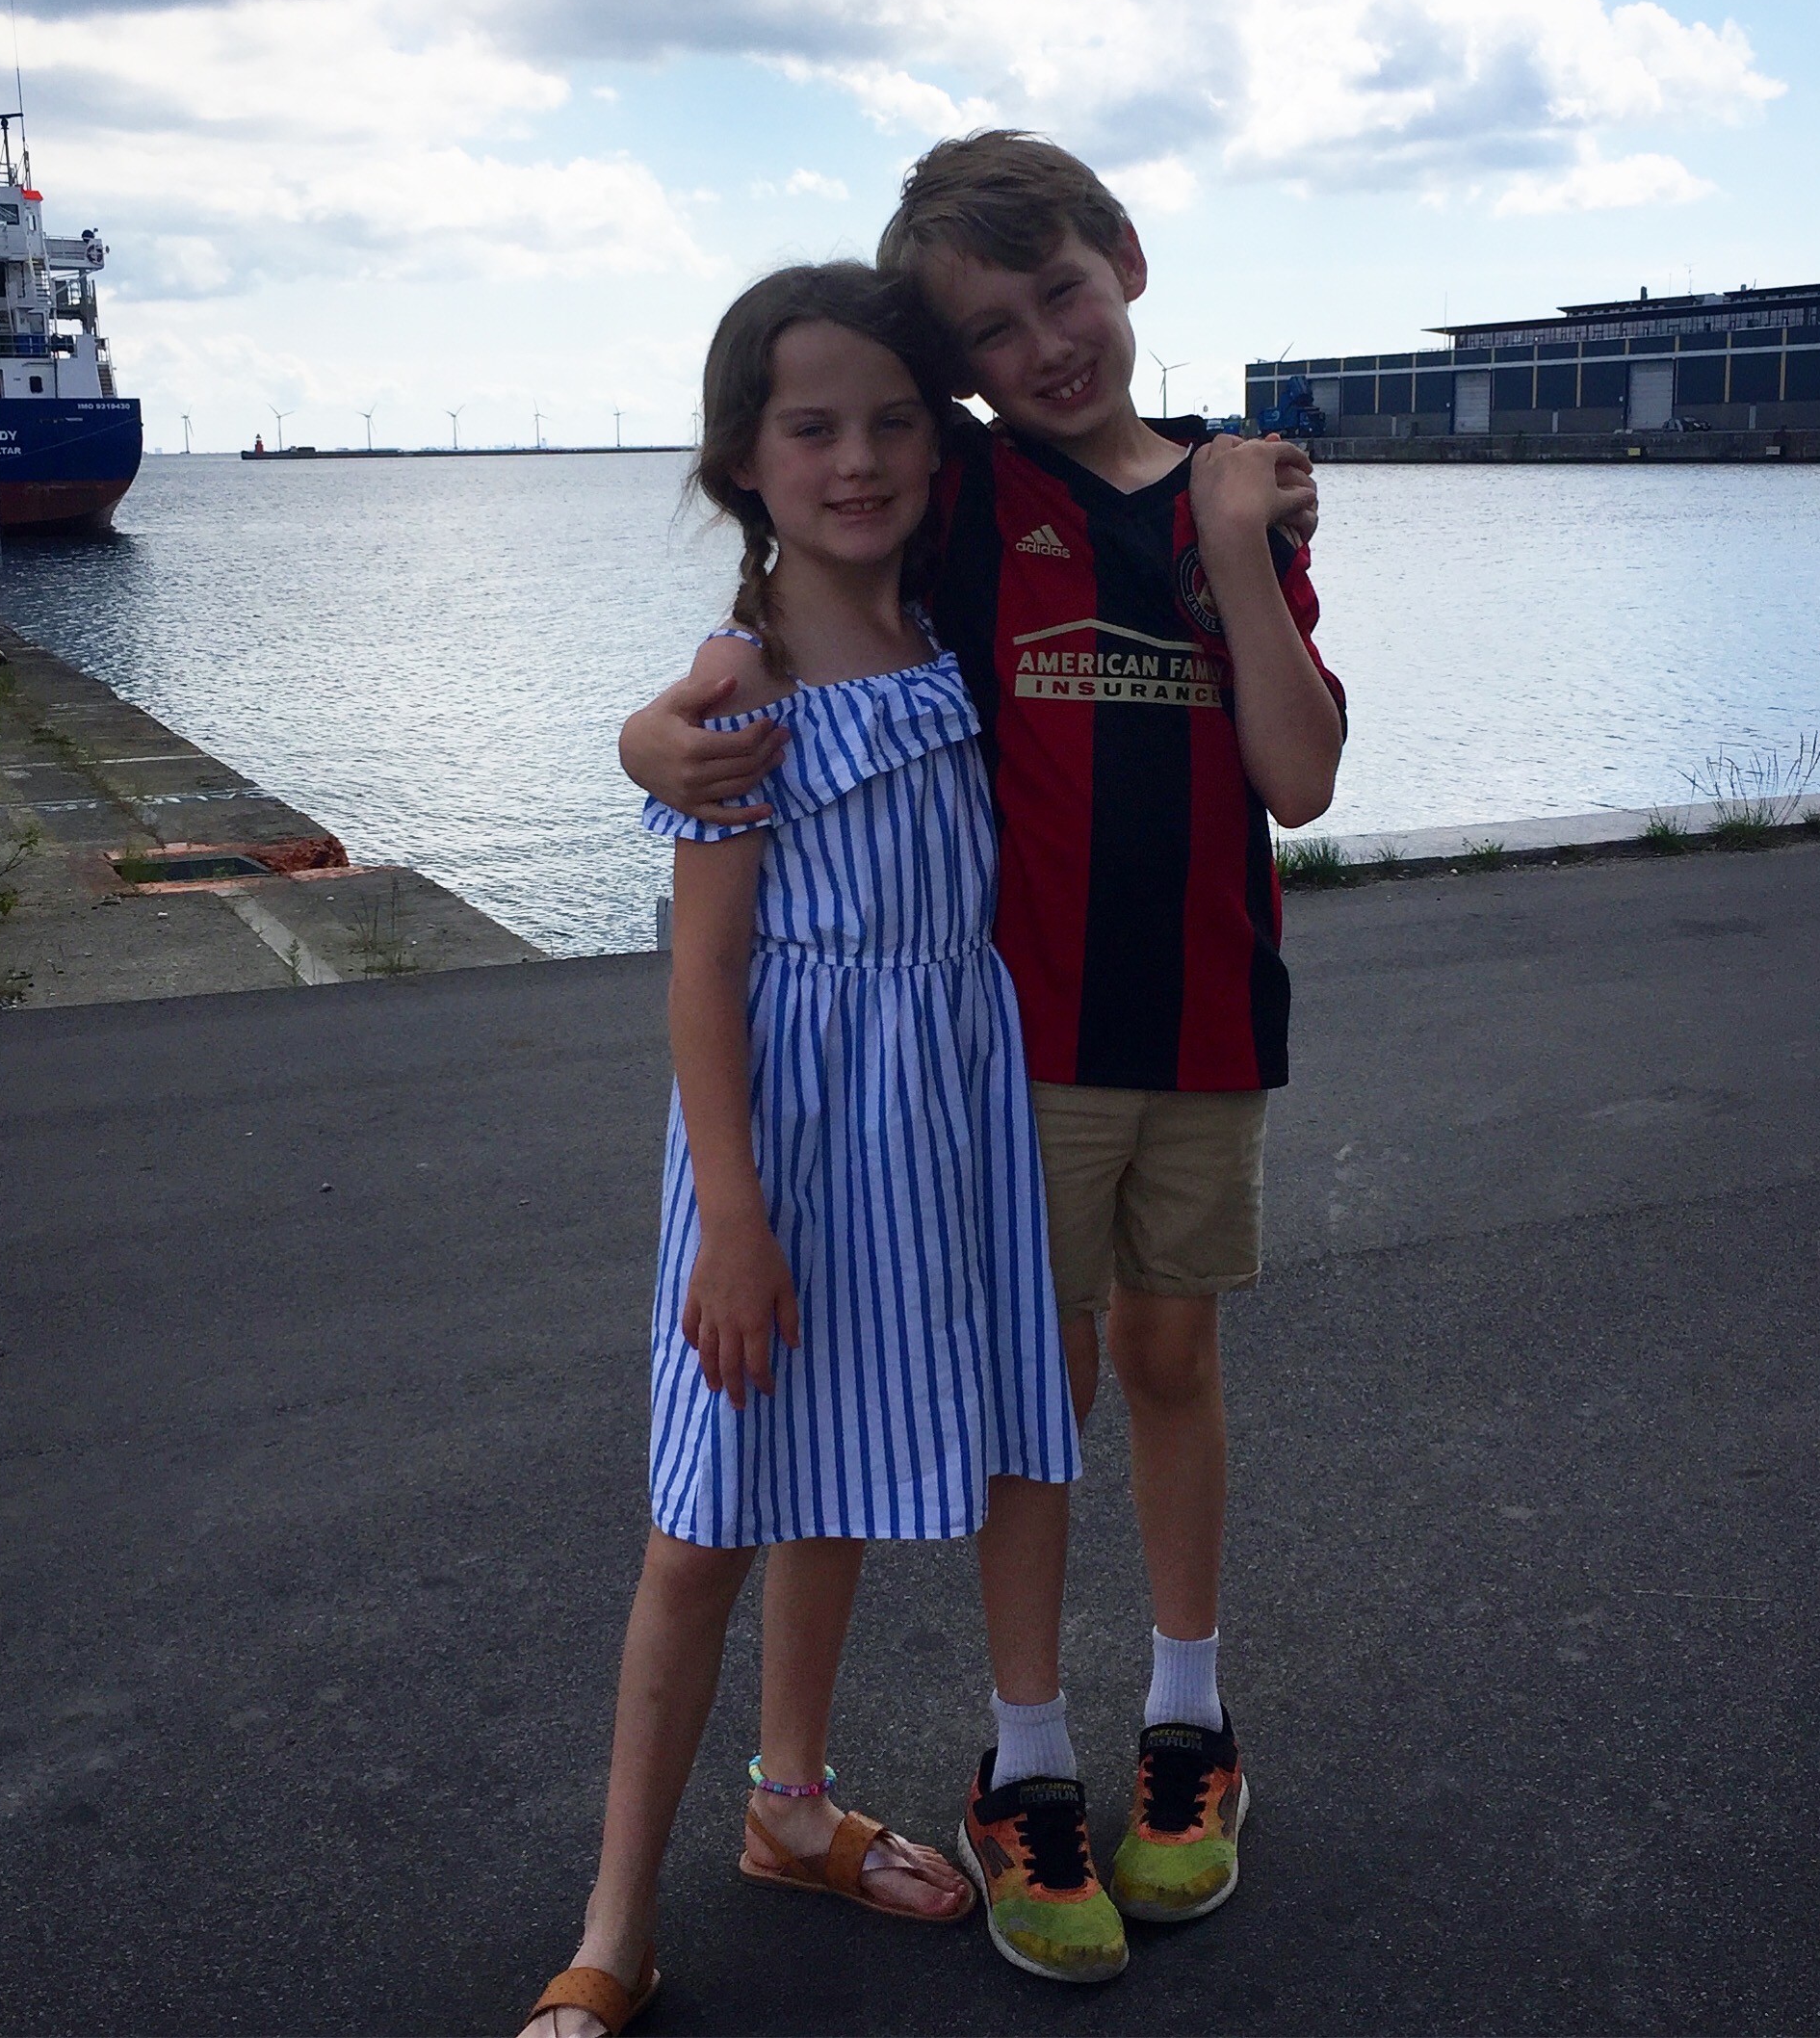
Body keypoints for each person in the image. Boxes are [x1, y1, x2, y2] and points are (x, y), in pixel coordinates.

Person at [621, 131, 1346, 1973]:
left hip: (1206, 1019)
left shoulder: (1239, 495)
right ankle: (1026, 1762)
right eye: (995, 332)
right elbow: (800, 593)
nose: (1045, 346)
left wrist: (1237, 549)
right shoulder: (968, 497)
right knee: (1047, 1387)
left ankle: (1189, 1724)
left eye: (1064, 295)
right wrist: (650, 737)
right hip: (1020, 1036)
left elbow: (1300, 778)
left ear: (1129, 262)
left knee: (1173, 1354)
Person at [520, 260, 1088, 2038]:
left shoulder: (947, 636)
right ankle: (616, 1928)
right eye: (813, 428)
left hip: (938, 1123)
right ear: (742, 462)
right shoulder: (742, 688)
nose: (860, 460)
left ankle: (789, 1806)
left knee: (831, 1474)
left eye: (894, 423)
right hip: (781, 1142)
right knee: (706, 1524)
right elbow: (703, 977)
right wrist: (734, 1220)